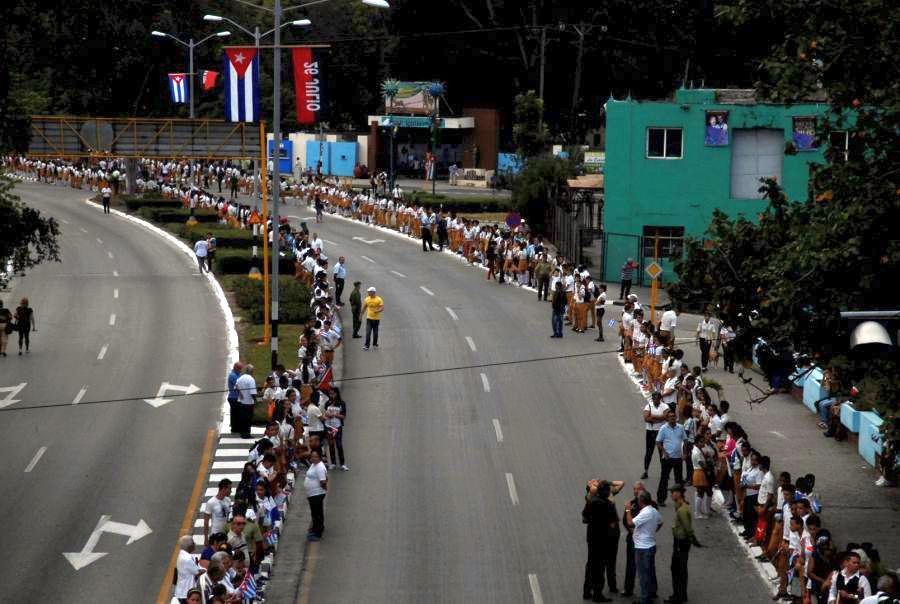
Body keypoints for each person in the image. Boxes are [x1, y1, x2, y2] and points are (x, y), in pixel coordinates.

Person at [582, 480, 617, 602]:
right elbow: (613, 523)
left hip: (591, 538)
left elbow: (584, 517)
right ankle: (598, 594)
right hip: (603, 540)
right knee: (600, 567)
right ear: (607, 493)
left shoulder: (591, 502)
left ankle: (587, 591)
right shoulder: (609, 505)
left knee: (591, 564)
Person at [625, 491, 663, 604]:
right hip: (650, 545)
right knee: (650, 571)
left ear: (641, 501)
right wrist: (652, 531)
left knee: (643, 574)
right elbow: (661, 522)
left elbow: (630, 523)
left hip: (642, 548)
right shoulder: (654, 511)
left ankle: (644, 599)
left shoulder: (645, 512)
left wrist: (628, 510)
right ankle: (651, 592)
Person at [668, 484, 699, 604]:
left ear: (679, 493)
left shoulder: (682, 510)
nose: (671, 495)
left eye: (673, 492)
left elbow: (687, 528)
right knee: (678, 569)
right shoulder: (681, 506)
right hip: (681, 541)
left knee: (678, 569)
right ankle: (680, 594)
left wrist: (693, 539)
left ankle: (678, 596)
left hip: (681, 542)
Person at [656, 410, 686, 505]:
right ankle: (661, 499)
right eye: (670, 416)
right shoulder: (663, 428)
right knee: (664, 479)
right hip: (667, 458)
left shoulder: (680, 427)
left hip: (678, 458)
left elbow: (685, 441)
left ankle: (681, 499)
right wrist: (664, 452)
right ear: (667, 418)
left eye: (674, 416)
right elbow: (658, 442)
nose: (672, 418)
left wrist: (684, 453)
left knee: (679, 480)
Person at [622, 481, 646, 598]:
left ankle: (650, 590)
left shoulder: (650, 504)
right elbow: (625, 521)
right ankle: (628, 589)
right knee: (630, 564)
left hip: (643, 539)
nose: (636, 491)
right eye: (634, 489)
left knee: (646, 565)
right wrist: (631, 531)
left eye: (638, 489)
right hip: (632, 538)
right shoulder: (631, 504)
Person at [642, 392, 668, 479]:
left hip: (661, 431)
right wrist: (660, 418)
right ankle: (645, 471)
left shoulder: (665, 406)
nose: (655, 400)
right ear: (652, 399)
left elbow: (666, 417)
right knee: (649, 452)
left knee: (662, 453)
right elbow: (646, 418)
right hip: (650, 431)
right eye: (654, 398)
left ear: (660, 398)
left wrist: (653, 417)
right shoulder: (648, 406)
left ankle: (664, 472)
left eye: (657, 398)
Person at [305, 450, 328, 541]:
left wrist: (323, 488)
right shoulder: (314, 464)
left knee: (317, 513)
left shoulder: (320, 467)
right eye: (312, 456)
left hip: (317, 494)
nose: (313, 458)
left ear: (319, 457)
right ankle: (315, 528)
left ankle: (318, 533)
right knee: (315, 512)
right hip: (312, 494)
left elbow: (323, 481)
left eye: (315, 456)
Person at [174, 535, 205, 602]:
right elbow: (198, 572)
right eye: (193, 543)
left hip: (183, 591)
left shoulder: (182, 555)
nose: (195, 544)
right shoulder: (187, 559)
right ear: (189, 546)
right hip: (186, 592)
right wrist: (205, 570)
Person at [324, 387, 348, 471]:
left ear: (337, 394)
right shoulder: (327, 403)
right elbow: (325, 413)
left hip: (337, 427)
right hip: (329, 426)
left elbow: (343, 416)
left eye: (333, 393)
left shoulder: (342, 403)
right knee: (331, 444)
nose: (331, 395)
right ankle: (333, 463)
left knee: (339, 444)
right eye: (330, 394)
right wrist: (327, 414)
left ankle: (342, 464)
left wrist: (335, 415)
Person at [203, 479, 233, 545]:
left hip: (226, 533)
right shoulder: (211, 502)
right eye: (229, 489)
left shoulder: (228, 500)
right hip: (215, 534)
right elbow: (206, 522)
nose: (231, 491)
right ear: (224, 489)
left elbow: (229, 517)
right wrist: (206, 538)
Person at [235, 365, 258, 439]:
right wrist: (255, 400)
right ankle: (247, 434)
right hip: (248, 403)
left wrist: (240, 393)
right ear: (251, 371)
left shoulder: (240, 378)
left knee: (242, 418)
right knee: (248, 419)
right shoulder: (251, 379)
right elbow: (253, 393)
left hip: (241, 402)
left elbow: (236, 386)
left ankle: (242, 433)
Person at [227, 362, 243, 434]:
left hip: (237, 397)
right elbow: (238, 385)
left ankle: (237, 427)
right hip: (233, 397)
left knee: (237, 413)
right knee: (235, 413)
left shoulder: (238, 374)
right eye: (240, 368)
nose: (241, 370)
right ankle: (234, 428)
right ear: (236, 368)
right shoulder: (232, 375)